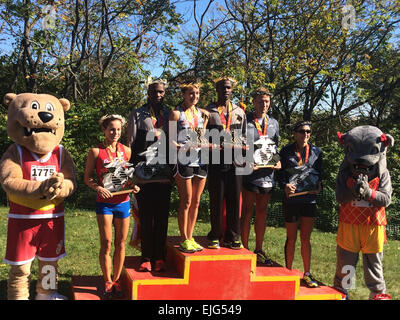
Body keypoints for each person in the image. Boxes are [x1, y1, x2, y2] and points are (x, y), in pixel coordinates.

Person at [84, 114, 140, 299]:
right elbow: (87, 178)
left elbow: (127, 176)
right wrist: (98, 187)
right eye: (111, 129)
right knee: (107, 243)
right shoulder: (95, 151)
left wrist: (134, 185)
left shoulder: (127, 150)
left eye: (118, 129)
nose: (115, 132)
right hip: (105, 204)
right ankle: (107, 281)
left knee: (121, 243)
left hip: (123, 202)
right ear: (104, 130)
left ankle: (117, 280)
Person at [127, 79, 172, 272]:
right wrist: (131, 174)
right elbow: (129, 145)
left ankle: (160, 257)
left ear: (165, 93)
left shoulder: (171, 114)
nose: (158, 95)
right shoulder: (137, 114)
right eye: (154, 92)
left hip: (164, 175)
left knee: (162, 218)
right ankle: (145, 257)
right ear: (148, 93)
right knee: (146, 217)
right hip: (144, 175)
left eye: (161, 92)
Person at [279, 121, 322, 288]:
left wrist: (318, 187)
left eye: (308, 132)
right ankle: (287, 272)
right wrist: (284, 186)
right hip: (292, 200)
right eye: (302, 131)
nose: (305, 135)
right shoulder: (284, 151)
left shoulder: (317, 152)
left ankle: (307, 273)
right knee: (291, 238)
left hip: (309, 200)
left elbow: (320, 175)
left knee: (306, 238)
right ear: (295, 133)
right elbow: (278, 174)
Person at [206, 76, 247, 250]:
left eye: (229, 88)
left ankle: (233, 236)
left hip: (235, 161)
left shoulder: (239, 111)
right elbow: (201, 135)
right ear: (217, 90)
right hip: (216, 160)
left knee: (234, 200)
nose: (227, 91)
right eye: (223, 88)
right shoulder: (208, 111)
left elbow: (244, 135)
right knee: (216, 199)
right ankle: (215, 235)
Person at [240, 88, 280, 265]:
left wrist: (278, 161)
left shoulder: (274, 123)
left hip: (267, 173)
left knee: (262, 212)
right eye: (260, 101)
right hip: (250, 173)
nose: (263, 104)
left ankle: (258, 248)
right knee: (247, 211)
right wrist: (245, 161)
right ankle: (243, 248)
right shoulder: (245, 121)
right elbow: (238, 145)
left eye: (266, 101)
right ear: (253, 102)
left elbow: (275, 146)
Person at [169, 82, 209, 253]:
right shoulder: (176, 114)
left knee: (196, 201)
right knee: (186, 201)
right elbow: (169, 141)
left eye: (197, 93)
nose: (195, 97)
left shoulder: (202, 114)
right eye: (191, 93)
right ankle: (183, 238)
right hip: (183, 160)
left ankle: (191, 237)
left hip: (200, 160)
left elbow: (201, 137)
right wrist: (183, 147)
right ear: (183, 95)